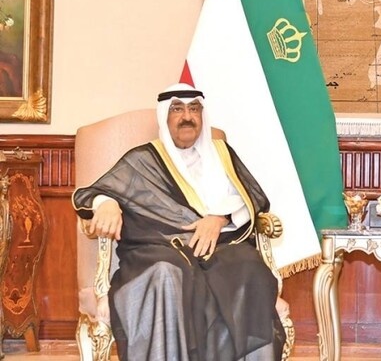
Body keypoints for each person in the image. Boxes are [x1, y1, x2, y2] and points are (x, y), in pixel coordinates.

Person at [73, 83, 286, 361]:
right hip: (159, 249)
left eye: (194, 109)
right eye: (177, 109)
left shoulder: (222, 155)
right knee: (167, 274)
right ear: (165, 116)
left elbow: (253, 198)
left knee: (250, 268)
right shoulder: (143, 160)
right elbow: (91, 193)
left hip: (219, 248)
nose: (187, 116)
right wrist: (107, 203)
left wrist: (219, 218)